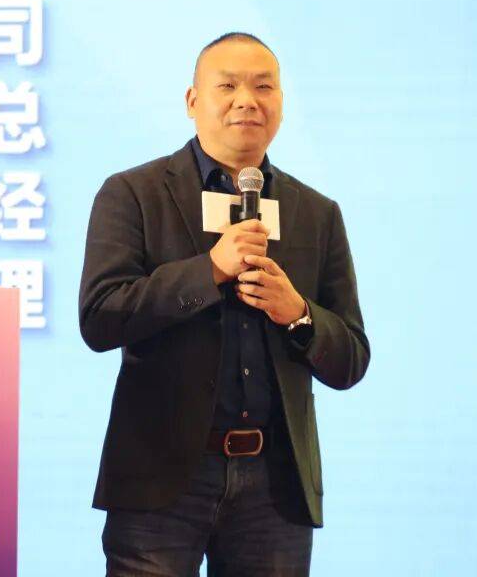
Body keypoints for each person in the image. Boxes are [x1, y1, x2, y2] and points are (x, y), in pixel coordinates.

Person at [79, 32, 370, 576]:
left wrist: (298, 314)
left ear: (281, 102)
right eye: (228, 86)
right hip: (160, 480)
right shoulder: (134, 193)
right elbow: (100, 317)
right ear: (193, 101)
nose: (247, 101)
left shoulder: (315, 212)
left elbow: (351, 358)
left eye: (263, 87)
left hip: (275, 489)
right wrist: (209, 270)